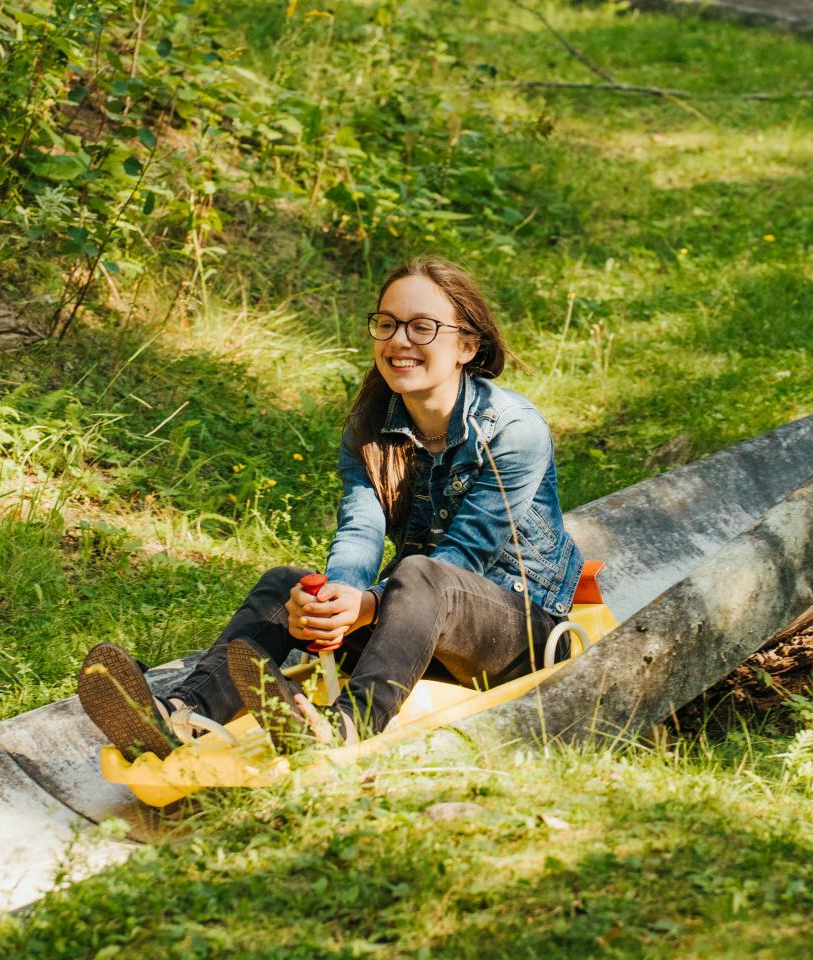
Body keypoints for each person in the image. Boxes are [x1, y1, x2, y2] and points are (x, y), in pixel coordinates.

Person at [78, 256, 585, 757]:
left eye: (422, 327)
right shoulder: (369, 428)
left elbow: (465, 557)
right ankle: (180, 714)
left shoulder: (514, 430)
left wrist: (368, 605)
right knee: (286, 584)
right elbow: (360, 529)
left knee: (420, 574)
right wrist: (334, 601)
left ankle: (345, 727)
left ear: (466, 346)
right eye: (387, 324)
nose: (398, 340)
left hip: (519, 634)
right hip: (416, 629)